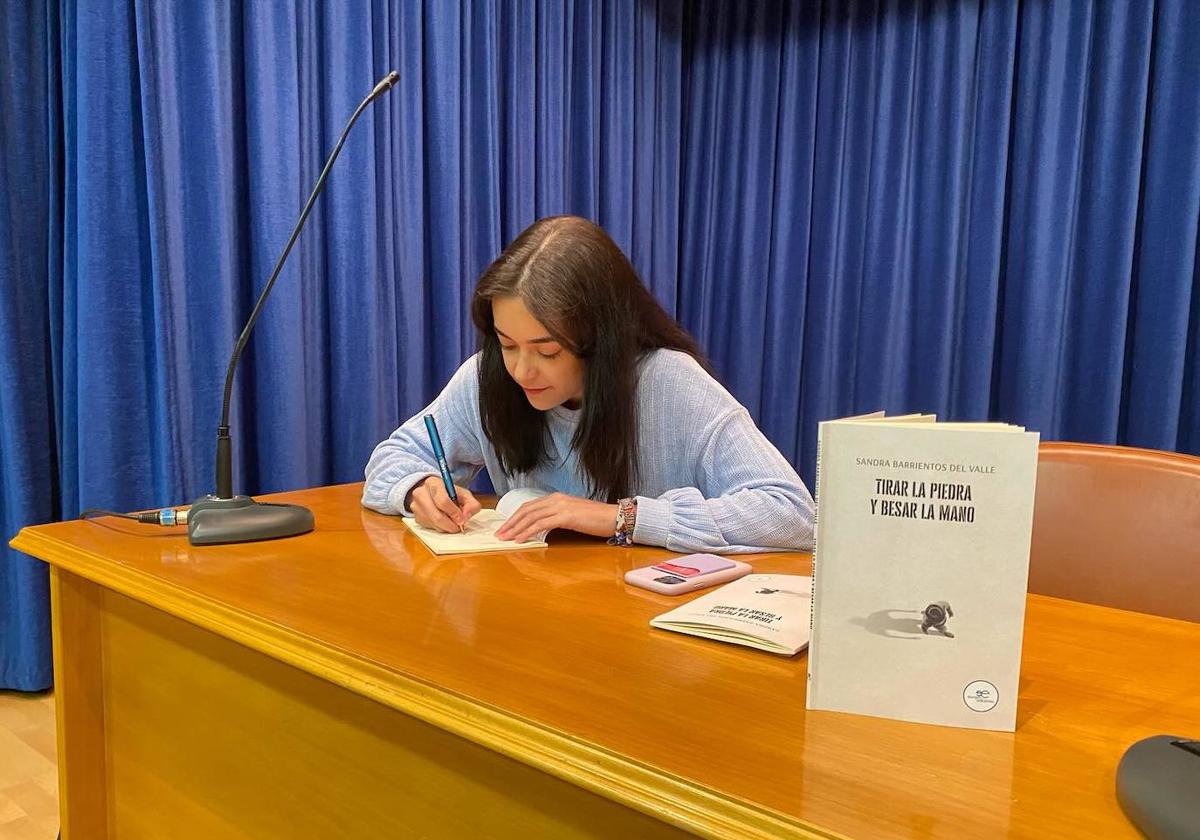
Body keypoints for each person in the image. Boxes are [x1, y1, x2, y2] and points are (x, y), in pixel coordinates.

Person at [362, 215, 815, 553]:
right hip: (525, 613)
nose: (521, 371)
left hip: (645, 633)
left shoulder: (668, 383)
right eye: (507, 343)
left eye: (548, 351)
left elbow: (791, 513)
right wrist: (418, 488)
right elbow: (393, 456)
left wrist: (621, 517)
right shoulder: (488, 377)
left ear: (601, 339)